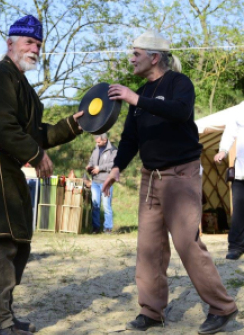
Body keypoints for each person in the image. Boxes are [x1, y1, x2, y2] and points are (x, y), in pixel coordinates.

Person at [103, 30, 238, 334]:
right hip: (150, 179)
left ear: (154, 57)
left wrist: (135, 98)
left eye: (136, 53)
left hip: (181, 174)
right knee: (149, 247)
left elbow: (180, 112)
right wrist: (116, 168)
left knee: (186, 244)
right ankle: (151, 311)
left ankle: (222, 308)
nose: (131, 58)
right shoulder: (138, 93)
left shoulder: (180, 84)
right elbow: (130, 138)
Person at [0, 15, 83, 335]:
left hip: (6, 166)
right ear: (11, 43)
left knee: (19, 243)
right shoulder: (0, 76)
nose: (35, 49)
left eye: (39, 44)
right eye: (29, 42)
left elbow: (35, 132)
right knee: (2, 244)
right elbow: (2, 125)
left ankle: (4, 315)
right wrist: (36, 154)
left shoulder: (21, 84)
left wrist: (75, 124)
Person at [214, 101, 244, 260]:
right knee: (239, 211)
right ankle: (236, 246)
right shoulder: (240, 109)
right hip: (242, 172)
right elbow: (230, 132)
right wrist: (223, 151)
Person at [85, 133, 117, 233]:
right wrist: (89, 166)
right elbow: (91, 160)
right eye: (96, 142)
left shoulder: (113, 150)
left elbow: (113, 164)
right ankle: (95, 227)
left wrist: (100, 168)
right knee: (95, 205)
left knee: (107, 206)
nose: (97, 144)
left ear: (105, 140)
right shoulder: (96, 148)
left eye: (99, 142)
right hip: (95, 181)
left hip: (106, 182)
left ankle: (108, 228)